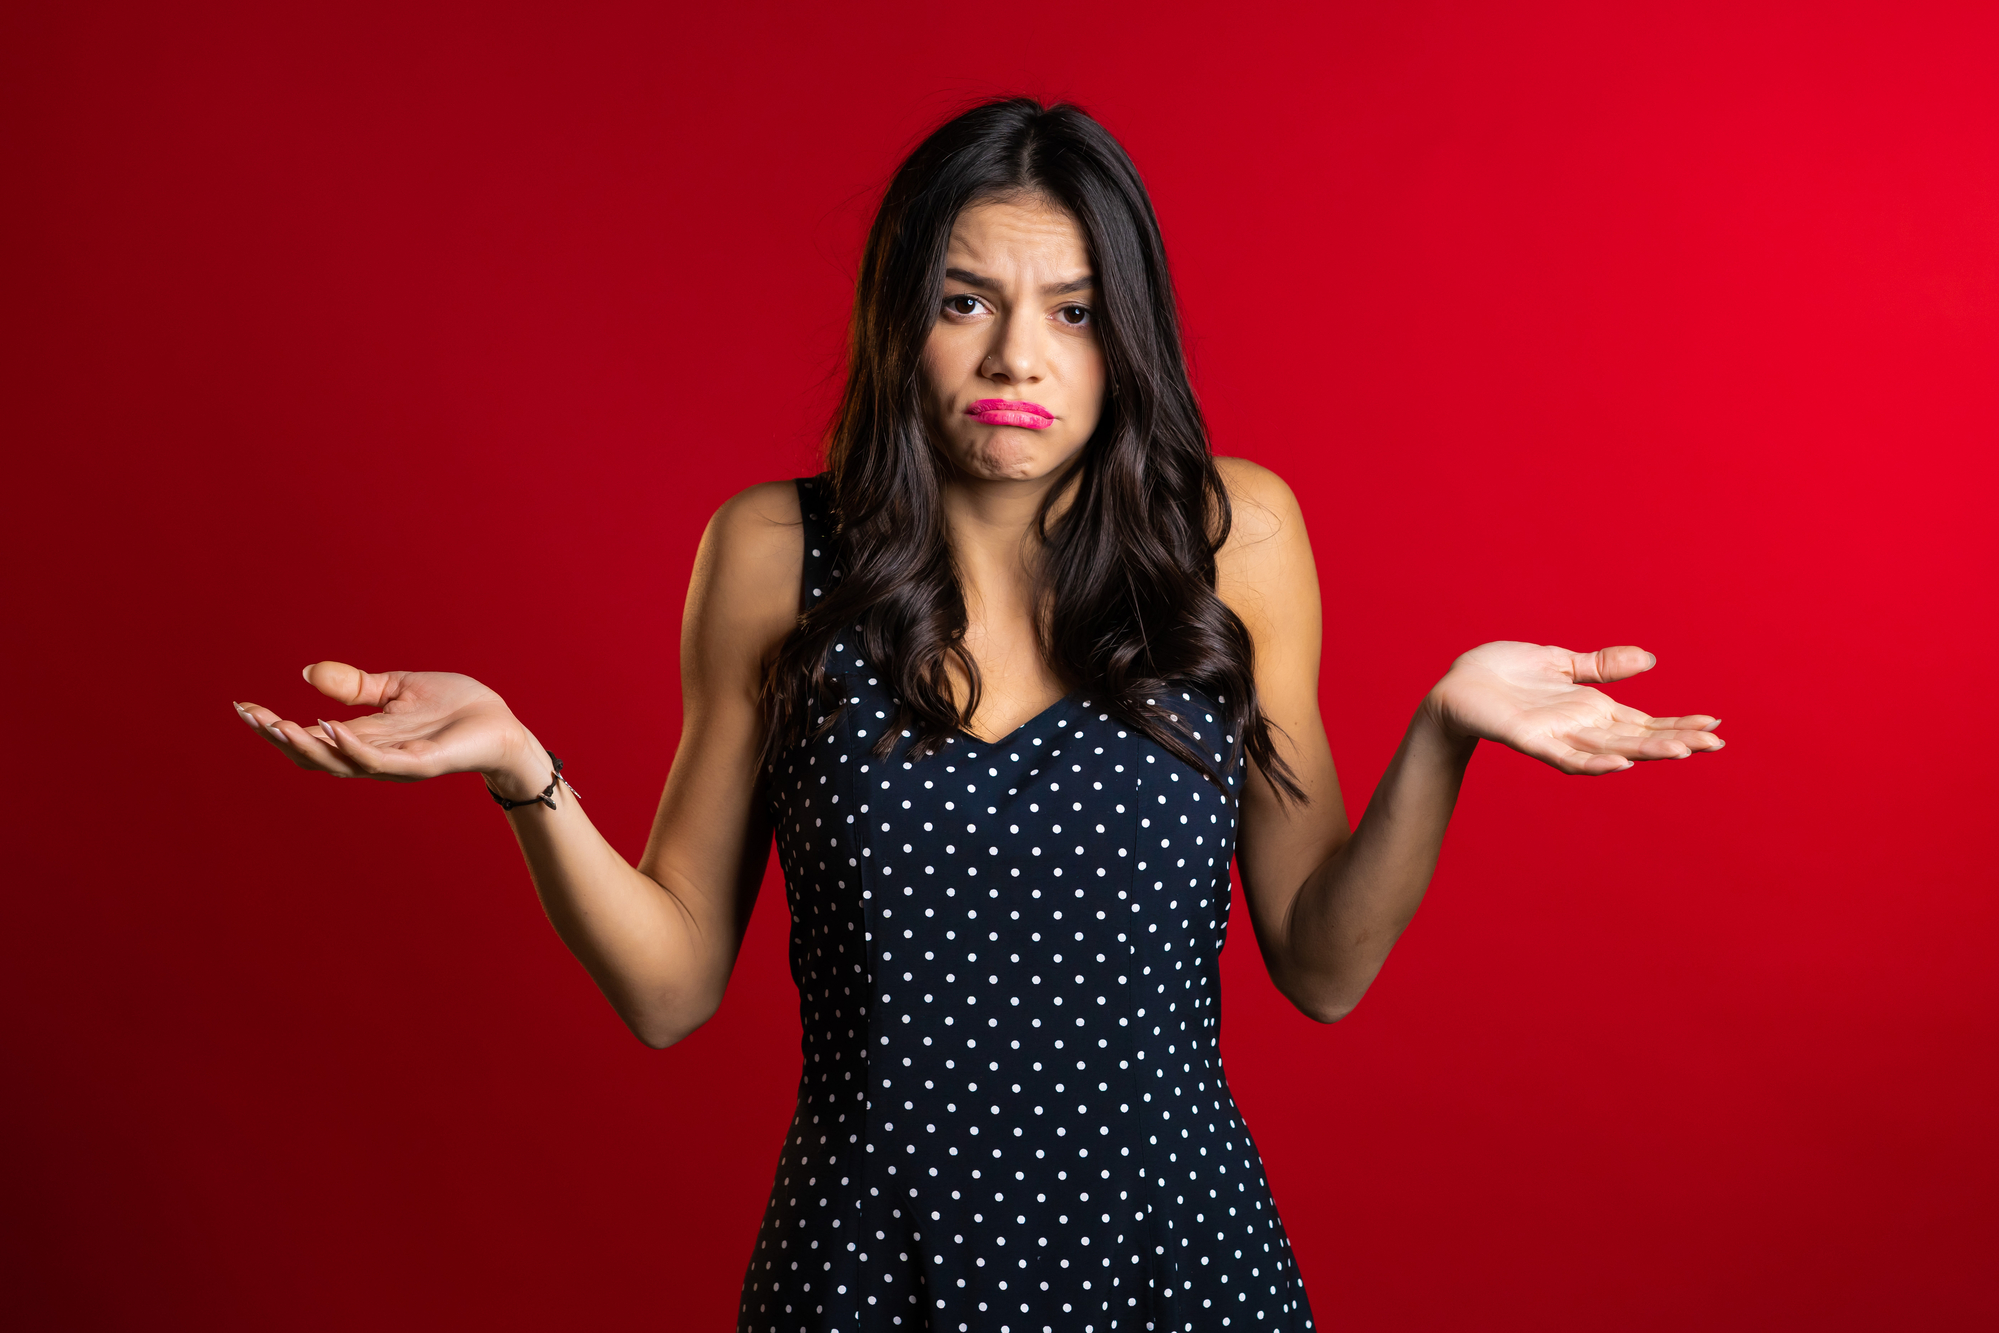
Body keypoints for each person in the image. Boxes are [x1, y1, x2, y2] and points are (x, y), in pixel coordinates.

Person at [233, 97, 1721, 1333]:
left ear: (1122, 337)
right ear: (902, 321)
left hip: (1175, 1265)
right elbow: (674, 984)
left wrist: (1442, 736)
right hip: (866, 1272)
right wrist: (523, 770)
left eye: (1072, 313)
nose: (1018, 357)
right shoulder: (771, 551)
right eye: (968, 302)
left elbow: (1321, 966)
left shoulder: (1233, 535)